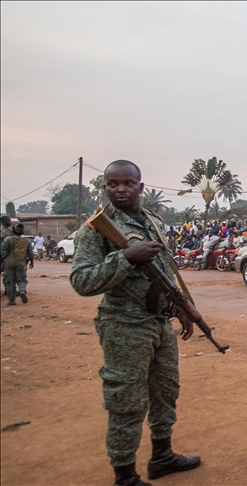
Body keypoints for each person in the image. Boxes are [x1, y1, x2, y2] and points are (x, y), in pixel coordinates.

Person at [68, 160, 201, 486]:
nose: (120, 189)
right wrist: (125, 257)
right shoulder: (96, 228)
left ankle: (162, 456)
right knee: (126, 401)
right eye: (112, 184)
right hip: (123, 325)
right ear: (106, 187)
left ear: (141, 187)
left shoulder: (155, 223)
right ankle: (125, 475)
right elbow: (82, 281)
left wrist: (180, 307)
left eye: (127, 183)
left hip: (158, 323)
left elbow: (165, 274)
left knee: (165, 391)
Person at [1, 223, 34, 305]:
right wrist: (32, 262)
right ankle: (22, 290)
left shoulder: (8, 239)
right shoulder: (26, 241)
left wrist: (4, 259)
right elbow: (31, 253)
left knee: (10, 281)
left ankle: (12, 300)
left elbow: (2, 251)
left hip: (9, 262)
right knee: (21, 279)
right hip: (21, 263)